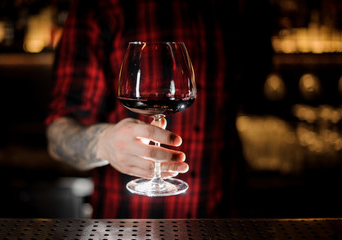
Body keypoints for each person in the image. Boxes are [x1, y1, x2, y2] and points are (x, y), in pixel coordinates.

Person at [46, 0, 273, 218]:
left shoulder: (238, 6)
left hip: (223, 217)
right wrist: (103, 143)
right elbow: (59, 136)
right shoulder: (102, 6)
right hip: (127, 224)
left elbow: (255, 90)